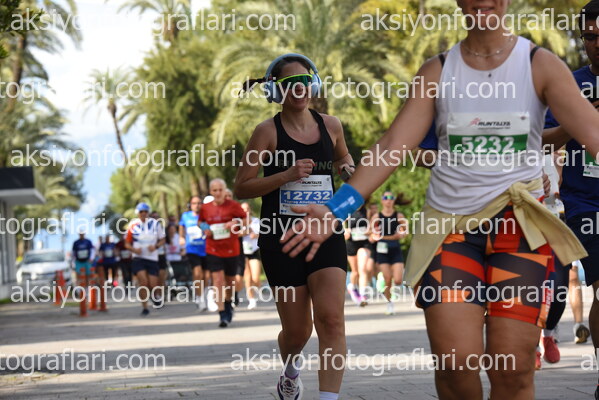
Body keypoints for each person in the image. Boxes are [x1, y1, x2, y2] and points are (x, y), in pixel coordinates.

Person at [279, 1, 599, 397]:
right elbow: (392, 147)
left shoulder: (540, 65)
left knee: (513, 370)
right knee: (454, 364)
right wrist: (335, 209)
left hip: (519, 231)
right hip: (450, 230)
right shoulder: (438, 71)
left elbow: (593, 134)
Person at [234, 53, 354, 400]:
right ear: (276, 91)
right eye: (289, 84)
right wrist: (285, 175)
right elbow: (242, 186)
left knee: (331, 320)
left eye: (303, 81)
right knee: (298, 331)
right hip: (281, 239)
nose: (298, 89)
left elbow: (342, 157)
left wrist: (348, 170)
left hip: (325, 233)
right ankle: (290, 371)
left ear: (313, 83)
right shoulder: (266, 132)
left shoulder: (331, 126)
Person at [542, 1, 599, 392]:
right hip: (587, 204)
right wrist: (578, 121)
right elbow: (542, 141)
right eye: (589, 36)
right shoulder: (571, 85)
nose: (596, 44)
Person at [199, 178, 247, 328]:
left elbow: (245, 219)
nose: (218, 193)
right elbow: (200, 222)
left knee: (230, 281)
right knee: (218, 280)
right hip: (213, 248)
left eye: (220, 190)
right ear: (210, 192)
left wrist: (235, 223)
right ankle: (222, 314)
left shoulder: (233, 205)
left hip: (231, 249)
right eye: (215, 190)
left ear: (225, 190)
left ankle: (228, 302)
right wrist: (205, 228)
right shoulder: (205, 207)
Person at [370, 192, 408, 315]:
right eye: (385, 198)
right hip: (382, 249)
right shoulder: (377, 216)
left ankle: (388, 286)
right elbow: (370, 232)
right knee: (387, 278)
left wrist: (402, 233)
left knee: (398, 280)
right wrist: (373, 235)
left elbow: (405, 230)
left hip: (395, 248)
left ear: (394, 201)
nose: (388, 200)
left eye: (391, 198)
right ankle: (389, 303)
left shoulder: (398, 215)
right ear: (382, 201)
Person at [125, 202, 166, 316]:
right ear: (137, 213)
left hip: (152, 258)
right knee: (143, 282)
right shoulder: (133, 225)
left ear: (148, 213)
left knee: (153, 284)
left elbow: (162, 239)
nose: (143, 214)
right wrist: (134, 250)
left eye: (145, 212)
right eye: (141, 212)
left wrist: (156, 246)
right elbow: (127, 244)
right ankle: (145, 307)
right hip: (138, 258)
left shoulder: (155, 224)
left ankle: (154, 295)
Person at [179, 196, 208, 311]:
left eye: (199, 203)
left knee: (207, 276)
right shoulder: (186, 216)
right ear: (190, 205)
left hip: (205, 248)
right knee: (197, 273)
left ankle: (203, 295)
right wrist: (181, 238)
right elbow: (181, 228)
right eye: (194, 203)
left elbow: (208, 229)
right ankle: (200, 299)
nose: (197, 205)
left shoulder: (205, 216)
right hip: (192, 249)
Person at [344, 203, 370, 307]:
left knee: (362, 268)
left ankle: (363, 295)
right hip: (352, 243)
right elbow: (341, 221)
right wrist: (345, 230)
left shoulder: (367, 211)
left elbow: (373, 224)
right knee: (355, 272)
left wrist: (369, 231)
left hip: (364, 243)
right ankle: (353, 288)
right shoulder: (349, 211)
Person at [241, 202, 263, 310]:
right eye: (243, 209)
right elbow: (236, 234)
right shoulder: (237, 222)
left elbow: (263, 234)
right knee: (247, 277)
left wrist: (256, 235)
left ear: (250, 210)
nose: (245, 211)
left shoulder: (256, 221)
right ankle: (251, 299)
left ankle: (256, 288)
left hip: (254, 250)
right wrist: (245, 231)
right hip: (243, 251)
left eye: (247, 208)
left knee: (255, 277)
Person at [72, 229, 95, 317]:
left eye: (82, 233)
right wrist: (73, 261)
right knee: (79, 276)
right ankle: (80, 291)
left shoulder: (88, 241)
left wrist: (91, 259)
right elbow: (73, 252)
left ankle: (88, 292)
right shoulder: (76, 243)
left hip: (86, 261)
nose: (81, 235)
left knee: (88, 276)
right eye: (80, 234)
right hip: (79, 262)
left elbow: (92, 250)